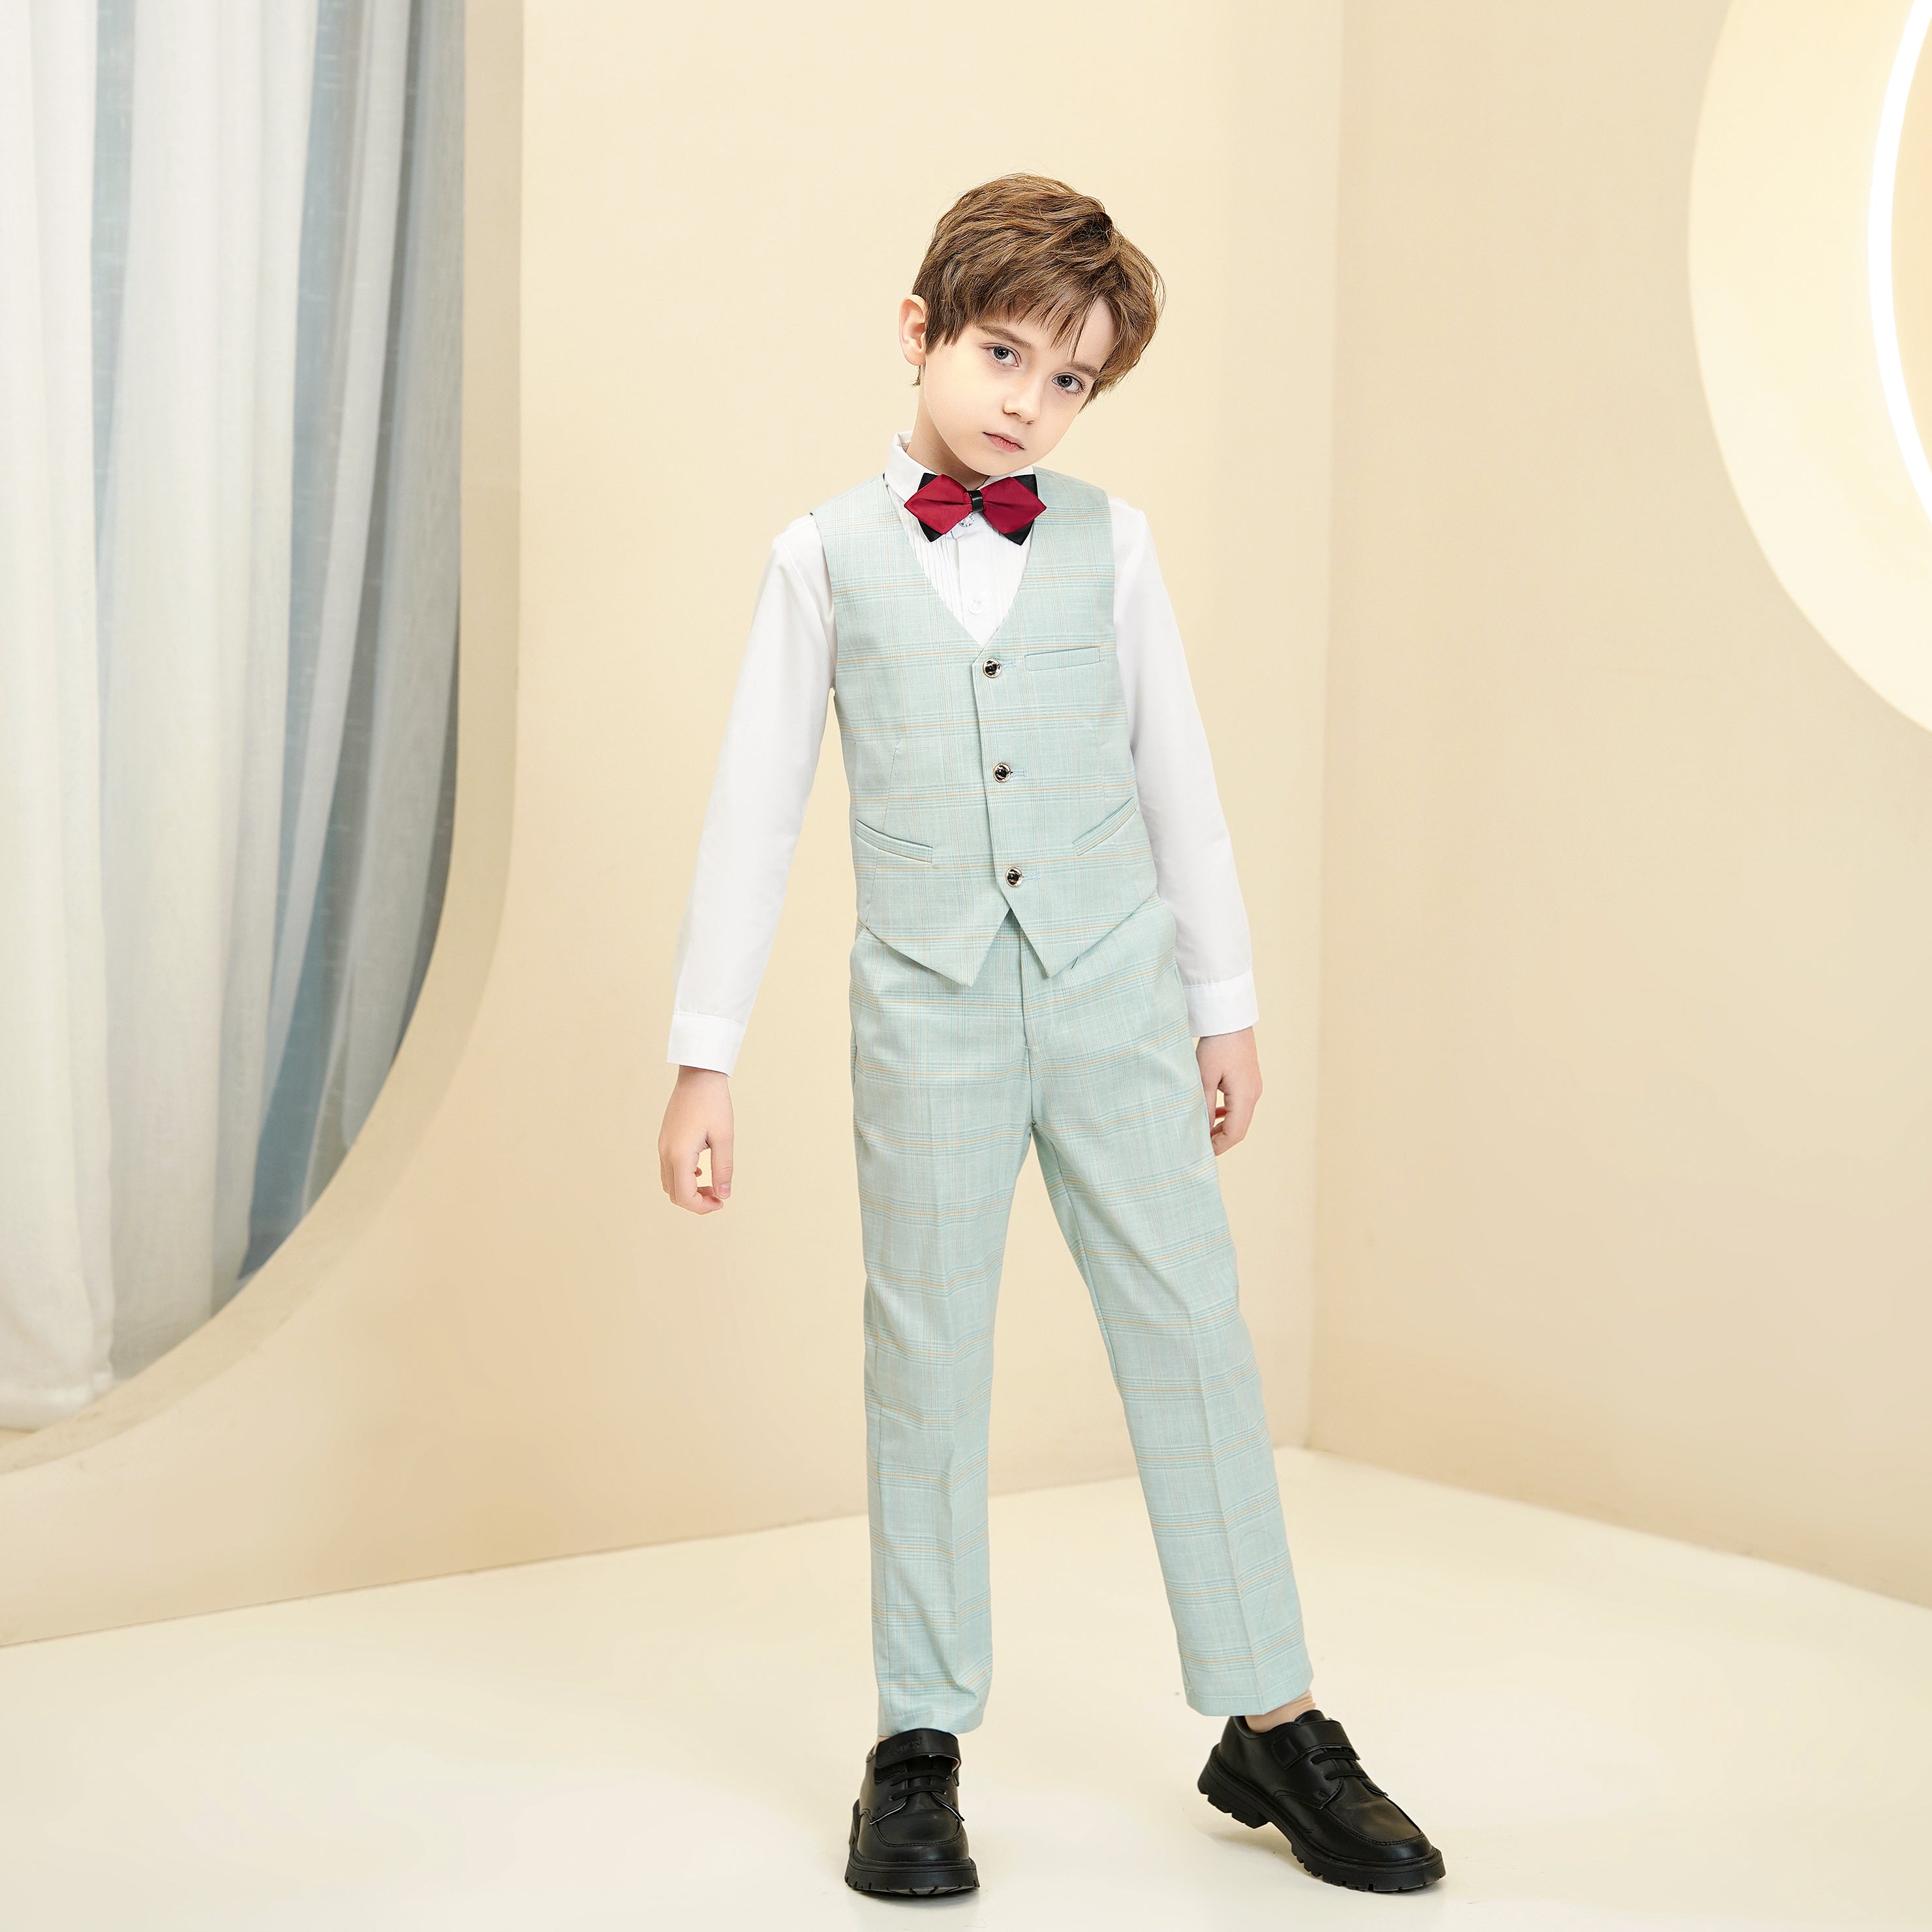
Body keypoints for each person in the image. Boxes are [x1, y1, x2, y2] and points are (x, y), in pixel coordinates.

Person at [657, 173, 1442, 1899]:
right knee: (926, 1361)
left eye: (1070, 379)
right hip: (924, 1009)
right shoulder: (822, 555)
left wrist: (1221, 1006)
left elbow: (1179, 782)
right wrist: (705, 1053)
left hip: (1113, 993)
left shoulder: (1112, 543)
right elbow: (752, 812)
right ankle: (916, 1743)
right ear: (919, 331)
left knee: (1192, 1333)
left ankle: (1273, 1717)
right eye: (1004, 354)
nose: (1029, 402)